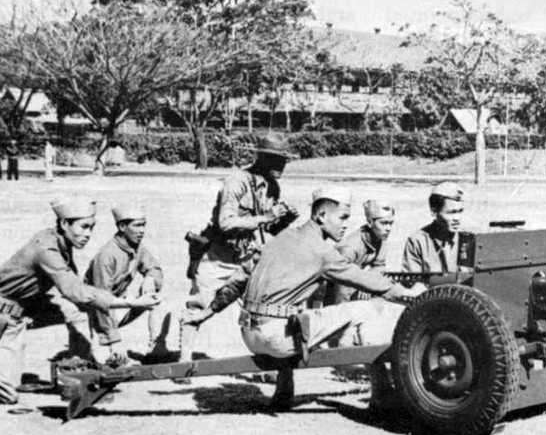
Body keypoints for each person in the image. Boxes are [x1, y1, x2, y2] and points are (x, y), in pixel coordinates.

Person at [185, 187, 424, 410]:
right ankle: (382, 393)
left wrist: (209, 311)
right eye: (342, 218)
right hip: (276, 341)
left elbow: (241, 276)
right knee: (366, 309)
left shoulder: (282, 237)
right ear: (321, 216)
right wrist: (408, 295)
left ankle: (283, 392)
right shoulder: (323, 252)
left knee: (295, 312)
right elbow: (365, 280)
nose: (345, 226)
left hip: (249, 335)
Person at [0, 197, 160, 404]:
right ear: (65, 224)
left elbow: (74, 291)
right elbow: (73, 290)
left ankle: (80, 376)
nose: (88, 235)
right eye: (84, 227)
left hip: (15, 319)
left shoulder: (62, 244)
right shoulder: (46, 248)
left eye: (91, 228)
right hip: (4, 313)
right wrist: (129, 303)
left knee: (8, 395)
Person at [179, 132, 299, 365]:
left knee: (259, 311)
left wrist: (283, 220)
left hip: (248, 257)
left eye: (284, 160)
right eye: (277, 159)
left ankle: (265, 363)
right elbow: (226, 223)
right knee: (200, 305)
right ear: (262, 159)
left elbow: (266, 230)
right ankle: (183, 362)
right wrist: (265, 217)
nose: (282, 165)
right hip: (219, 254)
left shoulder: (272, 187)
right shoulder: (237, 181)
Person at [84, 205, 170, 364]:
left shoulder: (136, 247)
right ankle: (101, 347)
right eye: (137, 225)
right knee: (104, 364)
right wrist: (114, 340)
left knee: (157, 299)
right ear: (122, 227)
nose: (142, 230)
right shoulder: (106, 255)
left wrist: (150, 278)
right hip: (92, 313)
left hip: (117, 305)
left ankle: (157, 349)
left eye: (144, 225)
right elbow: (101, 301)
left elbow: (155, 268)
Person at [330, 199, 395, 304]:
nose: (388, 228)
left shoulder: (380, 238)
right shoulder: (350, 248)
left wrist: (369, 282)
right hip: (328, 288)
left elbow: (379, 266)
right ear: (370, 222)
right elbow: (341, 288)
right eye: (383, 223)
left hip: (350, 282)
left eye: (391, 223)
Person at [402, 181, 465, 273]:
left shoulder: (468, 241)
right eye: (451, 212)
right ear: (434, 212)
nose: (457, 218)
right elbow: (412, 282)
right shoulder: (417, 242)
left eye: (460, 211)